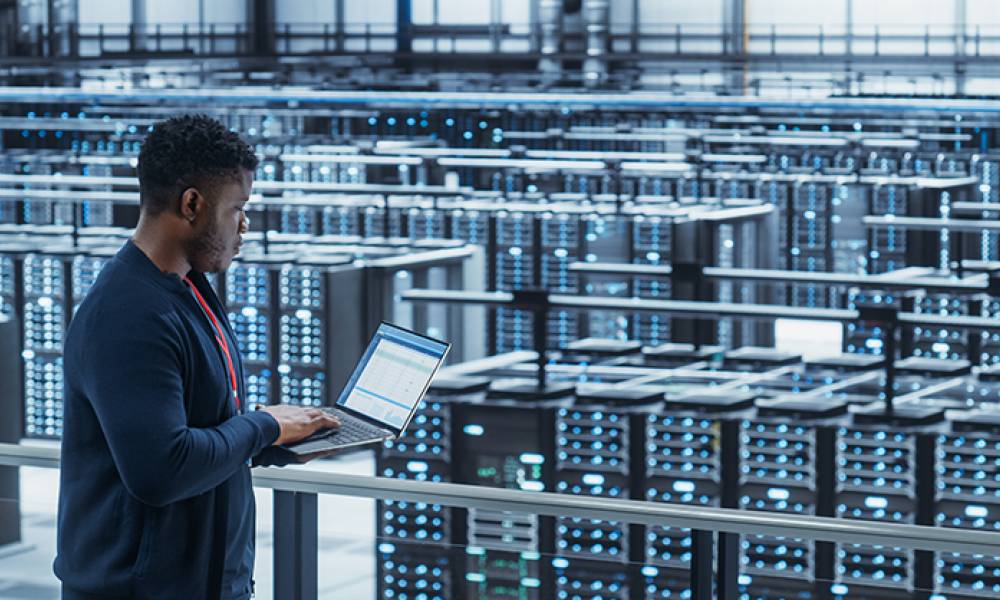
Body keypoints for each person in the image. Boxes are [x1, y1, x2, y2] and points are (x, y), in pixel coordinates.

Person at [54, 114, 340, 599]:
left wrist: (280, 440)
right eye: (237, 209)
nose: (245, 226)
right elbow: (161, 470)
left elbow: (197, 428)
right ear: (192, 204)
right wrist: (263, 426)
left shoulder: (188, 292)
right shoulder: (129, 314)